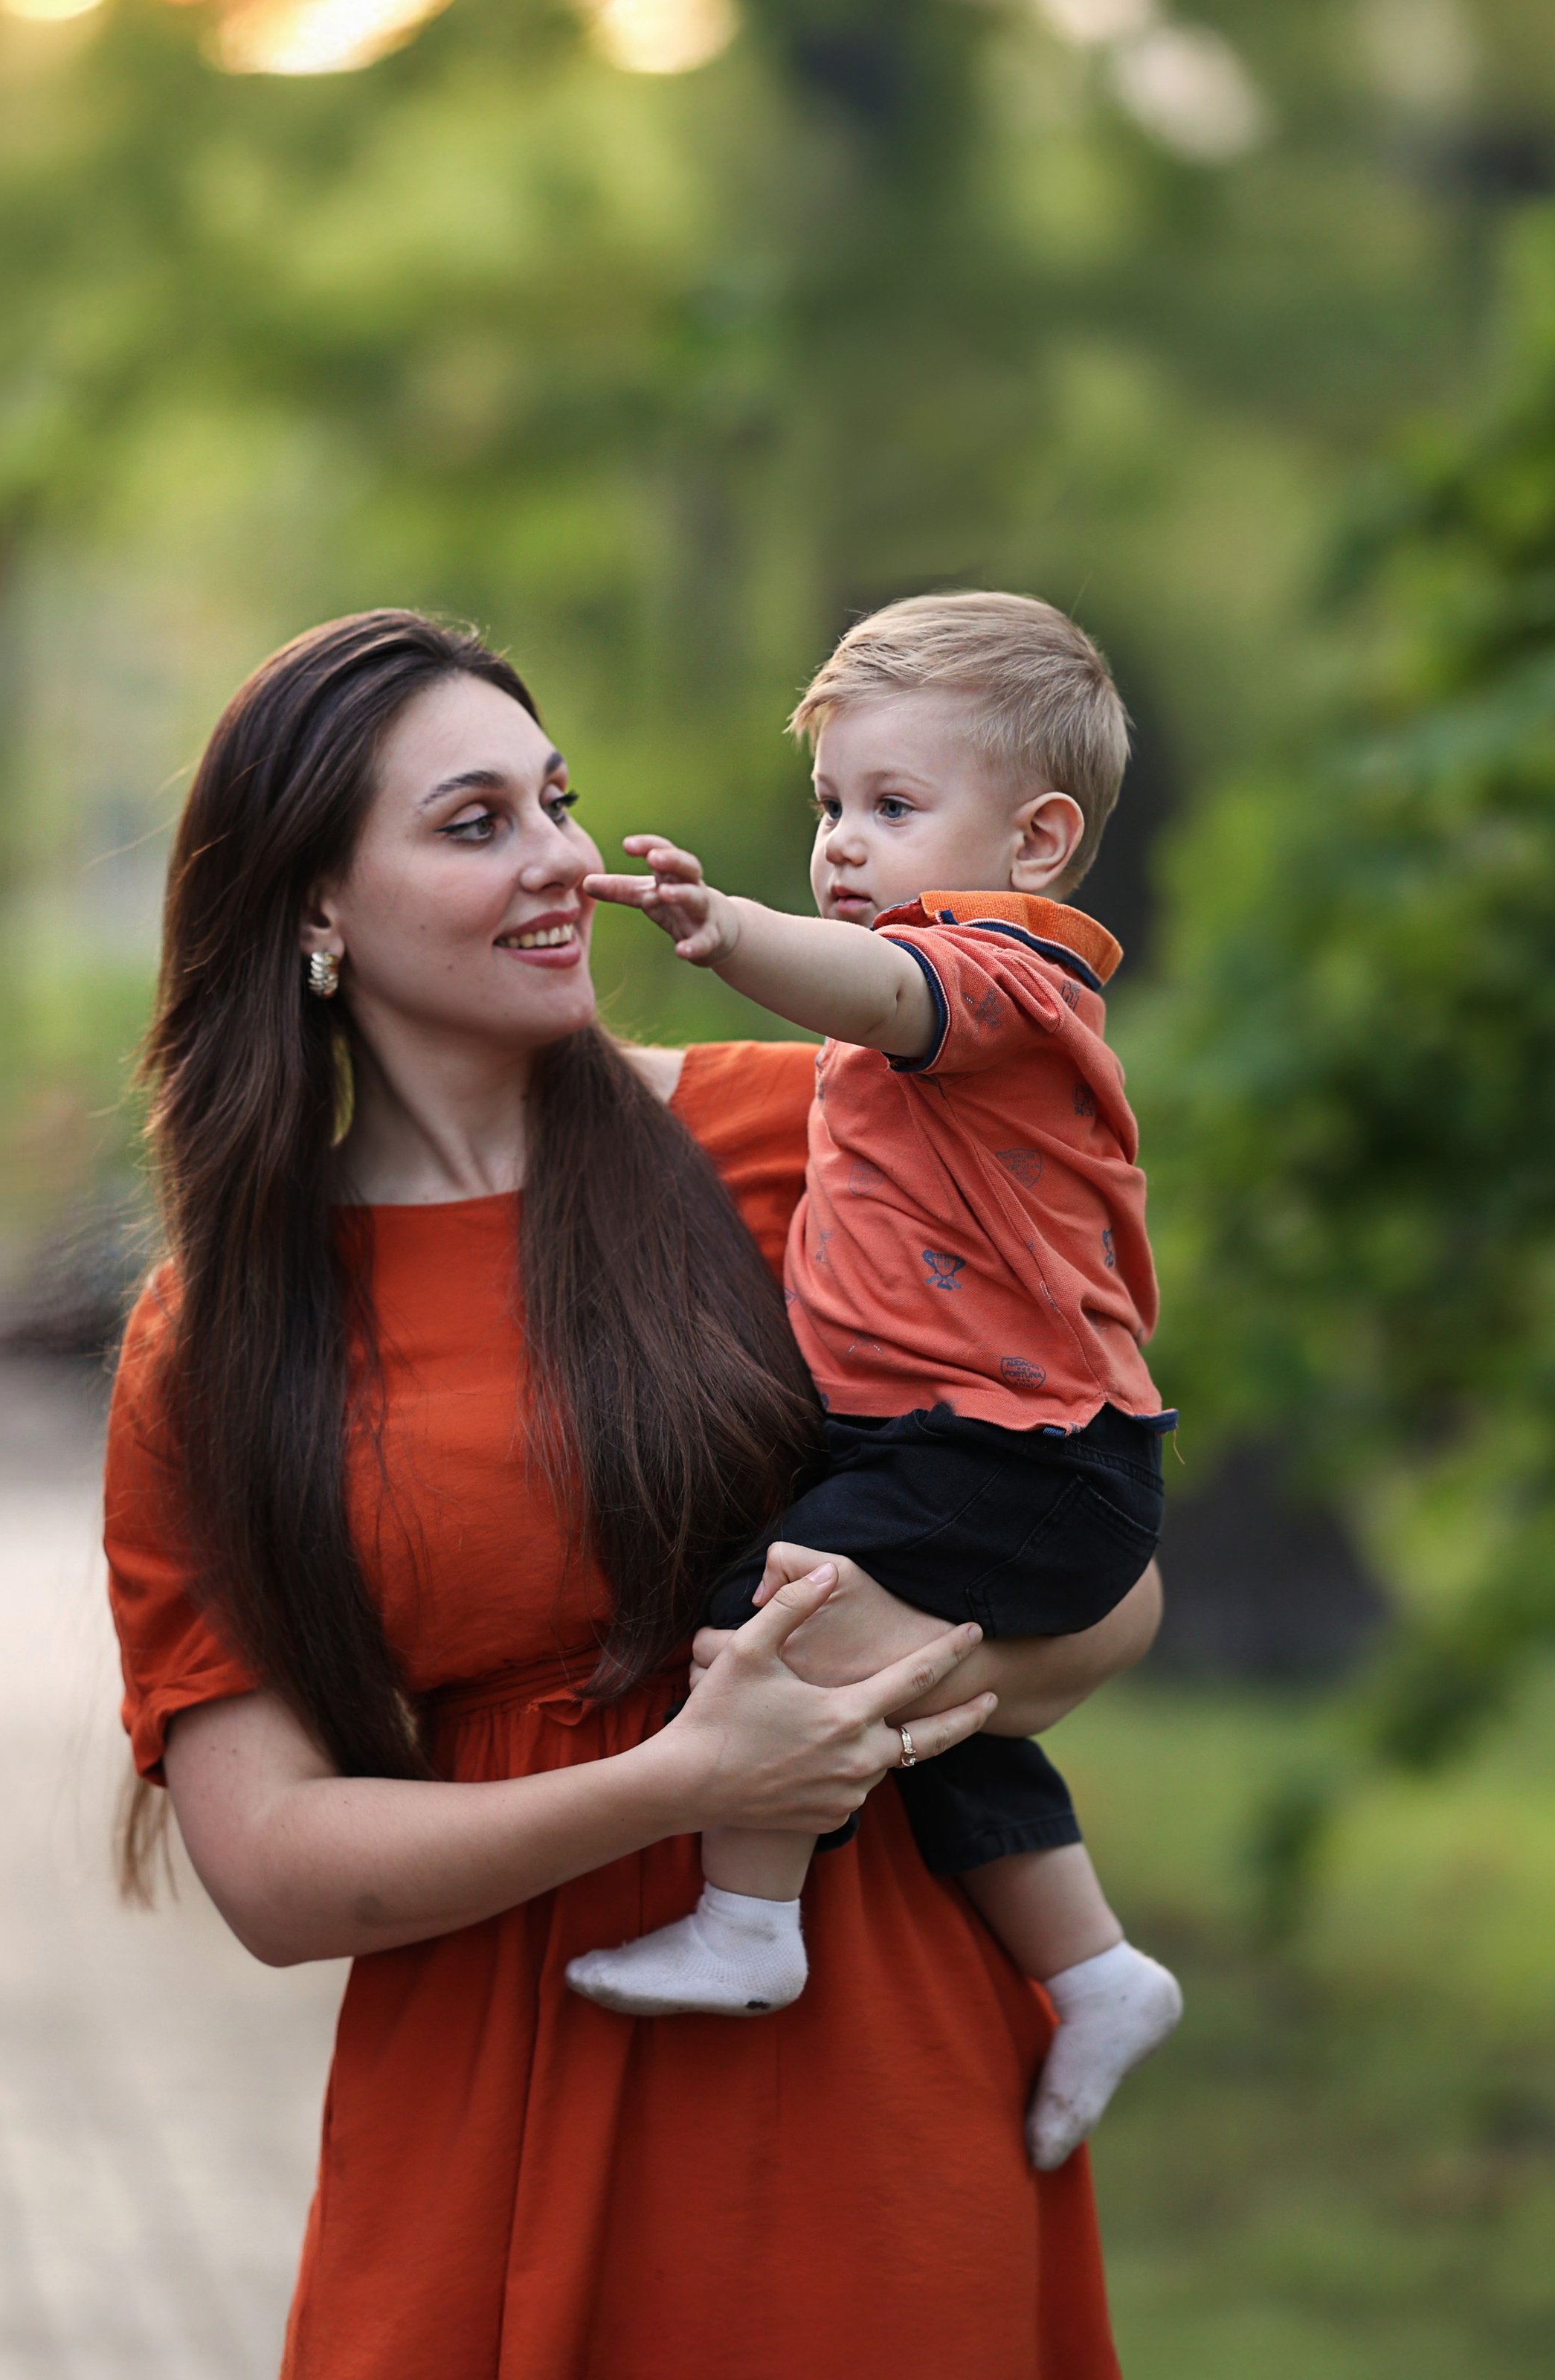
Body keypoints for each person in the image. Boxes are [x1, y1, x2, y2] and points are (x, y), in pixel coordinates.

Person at [103, 608, 1161, 2379]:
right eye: (474, 824)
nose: (561, 864)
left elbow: (1105, 1580)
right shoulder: (220, 1336)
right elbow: (273, 1872)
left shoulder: (815, 1131)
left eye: (560, 802)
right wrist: (679, 1781)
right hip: (494, 2104)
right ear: (310, 909)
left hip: (875, 2090)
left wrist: (826, 1724)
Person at [568, 593, 1182, 2172]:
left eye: (892, 807)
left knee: (765, 1619)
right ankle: (1095, 1967)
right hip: (969, 1443)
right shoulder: (911, 1027)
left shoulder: (1007, 985)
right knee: (936, 1720)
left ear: (1037, 841)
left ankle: (748, 1918)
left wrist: (734, 933)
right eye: (830, 805)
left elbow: (874, 989)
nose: (842, 841)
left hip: (1020, 1451)